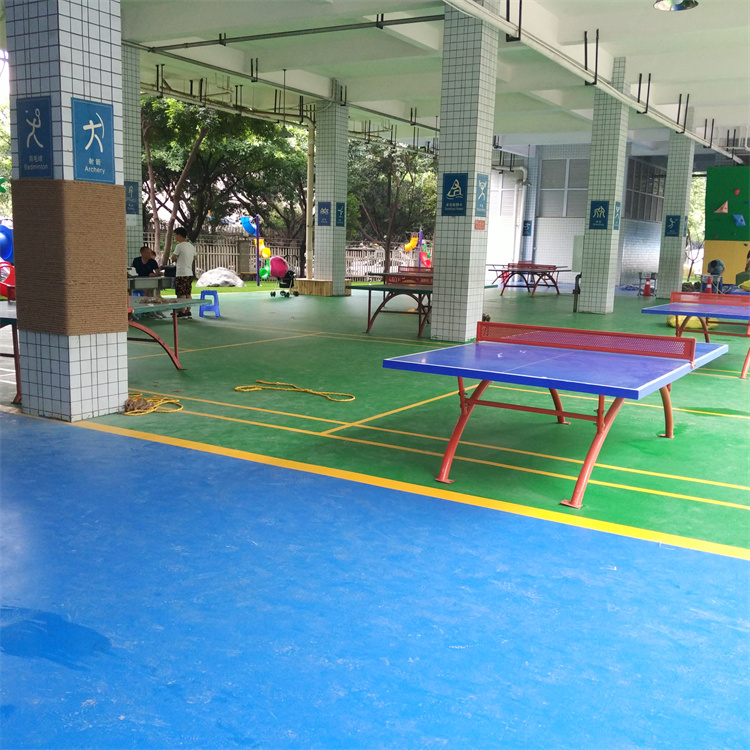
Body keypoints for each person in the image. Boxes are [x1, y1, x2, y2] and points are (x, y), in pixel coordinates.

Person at [171, 227, 197, 318]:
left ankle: (182, 311)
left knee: (181, 293)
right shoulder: (191, 246)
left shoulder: (179, 246)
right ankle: (188, 310)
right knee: (188, 293)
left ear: (179, 235)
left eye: (175, 235)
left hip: (181, 273)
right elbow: (195, 257)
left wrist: (178, 260)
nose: (175, 237)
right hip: (189, 272)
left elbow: (173, 257)